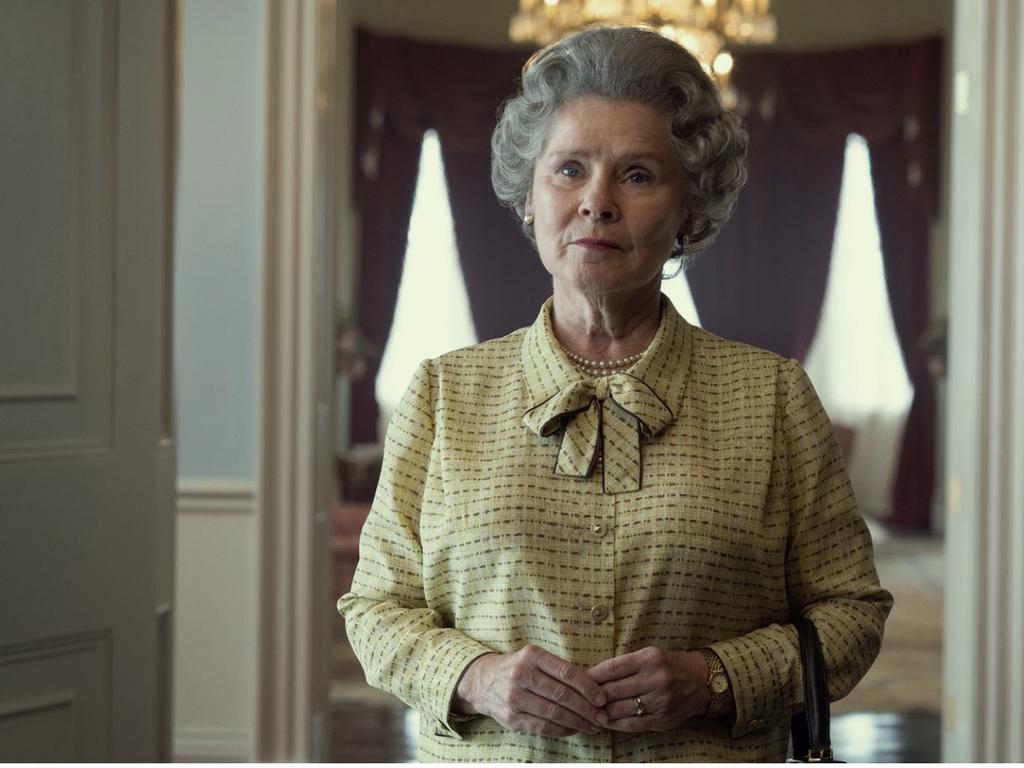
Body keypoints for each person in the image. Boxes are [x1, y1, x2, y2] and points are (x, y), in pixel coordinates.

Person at [339, 24, 892, 762]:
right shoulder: (444, 393)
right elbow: (375, 609)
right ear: (530, 197)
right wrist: (476, 676)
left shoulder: (774, 396)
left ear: (688, 211)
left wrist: (715, 679)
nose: (596, 201)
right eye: (569, 169)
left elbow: (852, 615)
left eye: (637, 175)